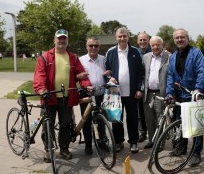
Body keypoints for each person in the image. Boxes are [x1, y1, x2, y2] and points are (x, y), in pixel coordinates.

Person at [33, 29, 91, 162]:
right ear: (54, 40)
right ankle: (49, 150)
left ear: (67, 41)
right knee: (48, 125)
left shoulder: (73, 57)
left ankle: (64, 148)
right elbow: (40, 76)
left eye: (64, 38)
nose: (61, 41)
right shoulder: (45, 57)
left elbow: (81, 74)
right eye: (59, 38)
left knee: (66, 125)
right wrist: (41, 89)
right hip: (49, 97)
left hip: (67, 97)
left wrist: (87, 84)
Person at [165, 28, 204, 167]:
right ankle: (181, 147)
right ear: (174, 40)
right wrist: (169, 93)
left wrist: (198, 89)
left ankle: (196, 153)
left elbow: (201, 71)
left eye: (182, 37)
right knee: (179, 124)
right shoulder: (174, 55)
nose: (179, 39)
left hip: (193, 96)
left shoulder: (196, 53)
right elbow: (170, 75)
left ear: (188, 38)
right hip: (179, 96)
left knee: (196, 127)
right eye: (177, 38)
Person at [104, 27, 144, 153]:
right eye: (120, 36)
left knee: (132, 118)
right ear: (116, 38)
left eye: (124, 36)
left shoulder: (135, 52)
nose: (122, 39)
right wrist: (110, 79)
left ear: (128, 37)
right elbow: (106, 72)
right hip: (116, 93)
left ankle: (133, 142)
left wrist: (139, 89)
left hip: (132, 93)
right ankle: (118, 141)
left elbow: (140, 72)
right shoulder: (110, 52)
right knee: (116, 119)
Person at [79, 37, 109, 155]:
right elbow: (77, 76)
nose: (93, 48)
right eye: (91, 45)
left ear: (99, 47)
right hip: (86, 94)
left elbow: (109, 72)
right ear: (86, 47)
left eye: (96, 46)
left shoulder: (104, 59)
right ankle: (88, 144)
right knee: (86, 120)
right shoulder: (81, 60)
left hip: (101, 94)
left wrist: (109, 74)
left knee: (102, 120)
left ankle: (102, 142)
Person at [142, 36, 170, 149]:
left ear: (162, 45)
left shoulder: (169, 57)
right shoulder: (146, 57)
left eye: (157, 44)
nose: (155, 47)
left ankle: (160, 142)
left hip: (160, 93)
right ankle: (151, 140)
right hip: (148, 93)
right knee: (149, 118)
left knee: (160, 118)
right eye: (153, 45)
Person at [137, 32, 151, 143]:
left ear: (148, 40)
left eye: (144, 39)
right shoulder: (135, 53)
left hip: (151, 86)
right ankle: (143, 132)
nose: (142, 42)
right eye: (140, 40)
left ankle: (155, 133)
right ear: (137, 41)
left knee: (151, 112)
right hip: (139, 86)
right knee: (140, 111)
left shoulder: (154, 50)